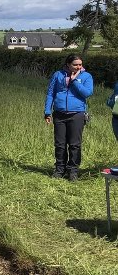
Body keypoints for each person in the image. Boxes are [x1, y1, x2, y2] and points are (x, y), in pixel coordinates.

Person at [44, 53, 94, 181]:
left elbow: (87, 93)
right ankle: (59, 170)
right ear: (68, 64)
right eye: (75, 65)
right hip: (59, 114)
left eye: (80, 64)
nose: (78, 67)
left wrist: (75, 80)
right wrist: (47, 111)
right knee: (60, 144)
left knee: (74, 145)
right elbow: (50, 93)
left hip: (77, 114)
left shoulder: (86, 76)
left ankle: (73, 171)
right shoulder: (58, 75)